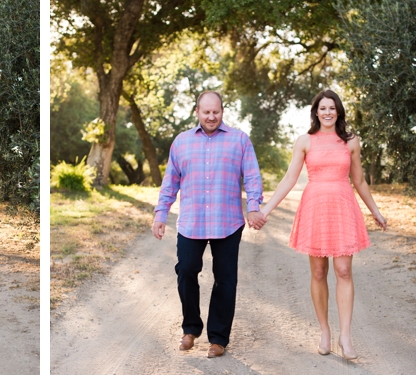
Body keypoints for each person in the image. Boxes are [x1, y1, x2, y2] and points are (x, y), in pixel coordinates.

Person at [260, 89, 387, 360]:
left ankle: (346, 336)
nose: (328, 112)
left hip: (342, 206)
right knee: (318, 273)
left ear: (338, 111)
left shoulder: (350, 141)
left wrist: (374, 210)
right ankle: (325, 331)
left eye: (332, 107)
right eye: (323, 108)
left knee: (343, 270)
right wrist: (267, 208)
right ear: (315, 112)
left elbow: (360, 180)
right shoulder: (304, 141)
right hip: (315, 208)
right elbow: (289, 179)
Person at [153, 91, 265, 358]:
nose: (211, 117)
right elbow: (170, 182)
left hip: (227, 222)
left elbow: (252, 177)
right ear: (197, 112)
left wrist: (253, 206)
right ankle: (190, 329)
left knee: (225, 280)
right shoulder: (181, 142)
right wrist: (160, 214)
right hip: (191, 222)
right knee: (186, 270)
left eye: (216, 112)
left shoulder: (239, 140)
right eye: (206, 112)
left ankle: (218, 339)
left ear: (222, 111)